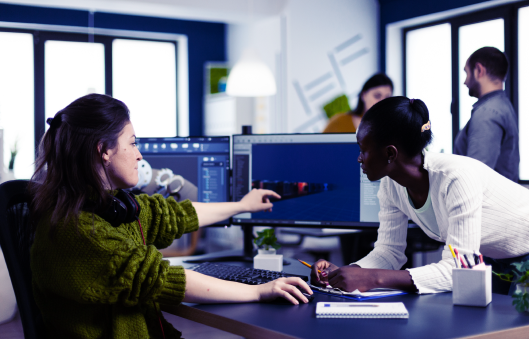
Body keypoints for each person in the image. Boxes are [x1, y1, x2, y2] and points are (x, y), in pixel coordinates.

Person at [29, 94, 312, 339]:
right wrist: (258, 291)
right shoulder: (77, 232)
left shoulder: (108, 207)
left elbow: (175, 215)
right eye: (133, 142)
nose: (140, 155)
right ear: (103, 150)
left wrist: (241, 205)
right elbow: (159, 278)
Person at [311, 96, 529, 296]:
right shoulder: (390, 186)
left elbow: (458, 268)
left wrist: (372, 278)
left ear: (390, 153)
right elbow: (389, 253)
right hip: (491, 257)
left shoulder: (456, 178)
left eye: (363, 149)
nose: (359, 159)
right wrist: (345, 272)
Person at [454, 47, 519, 182]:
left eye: (466, 73)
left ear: (479, 70)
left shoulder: (487, 113)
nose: (464, 82)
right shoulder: (503, 106)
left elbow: (475, 179)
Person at [323, 73, 393, 133]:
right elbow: (318, 147)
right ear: (364, 95)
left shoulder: (393, 128)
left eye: (387, 98)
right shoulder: (339, 121)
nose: (382, 102)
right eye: (377, 96)